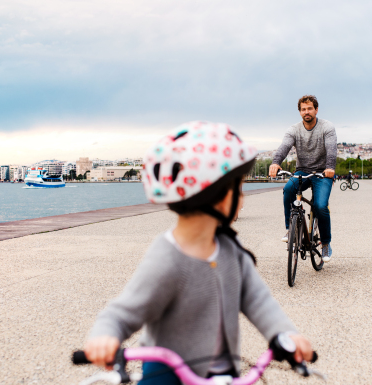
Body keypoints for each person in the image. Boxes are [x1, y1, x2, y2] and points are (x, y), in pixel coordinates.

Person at [83, 122, 315, 384]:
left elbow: (258, 300)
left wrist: (284, 333)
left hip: (222, 373)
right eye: (237, 189)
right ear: (214, 196)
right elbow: (123, 311)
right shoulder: (167, 257)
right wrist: (105, 336)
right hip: (168, 375)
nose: (242, 198)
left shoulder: (231, 250)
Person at [269, 95, 336, 262]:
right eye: (303, 109)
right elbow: (284, 146)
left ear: (316, 110)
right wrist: (276, 163)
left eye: (310, 108)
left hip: (322, 173)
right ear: (300, 112)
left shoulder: (327, 127)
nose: (307, 112)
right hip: (302, 171)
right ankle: (289, 229)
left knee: (320, 206)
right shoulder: (294, 129)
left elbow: (331, 149)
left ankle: (326, 243)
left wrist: (330, 167)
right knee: (288, 190)